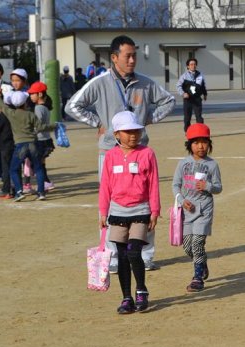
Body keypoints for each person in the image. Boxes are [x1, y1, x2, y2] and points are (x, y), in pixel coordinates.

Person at [66, 34, 176, 272]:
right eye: (128, 55)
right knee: (110, 203)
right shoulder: (100, 82)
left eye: (135, 55)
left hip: (139, 152)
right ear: (114, 57)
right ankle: (113, 257)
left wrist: (149, 118)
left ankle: (145, 256)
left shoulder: (146, 83)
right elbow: (72, 105)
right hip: (110, 152)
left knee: (143, 202)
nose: (132, 60)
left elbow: (169, 100)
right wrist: (97, 123)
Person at [99, 111, 160, 314]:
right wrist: (102, 211)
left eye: (136, 130)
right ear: (117, 134)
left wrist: (155, 210)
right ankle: (127, 297)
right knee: (122, 255)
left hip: (141, 209)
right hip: (117, 211)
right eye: (128, 131)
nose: (133, 135)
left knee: (134, 251)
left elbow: (153, 184)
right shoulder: (110, 156)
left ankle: (141, 290)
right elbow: (105, 185)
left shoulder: (147, 153)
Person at [172, 123, 222, 292]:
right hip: (187, 211)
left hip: (204, 210)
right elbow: (175, 185)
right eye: (196, 142)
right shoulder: (182, 164)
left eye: (204, 142)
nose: (200, 146)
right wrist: (181, 200)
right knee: (187, 246)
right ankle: (202, 263)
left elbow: (218, 187)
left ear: (209, 144)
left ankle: (197, 277)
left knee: (197, 244)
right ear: (189, 145)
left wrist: (208, 186)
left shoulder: (212, 165)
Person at [0, 90, 54, 202]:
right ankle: (41, 192)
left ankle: (19, 192)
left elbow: (1, 105)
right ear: (25, 103)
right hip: (33, 144)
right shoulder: (30, 114)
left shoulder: (11, 113)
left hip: (20, 145)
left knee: (13, 169)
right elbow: (41, 127)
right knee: (38, 168)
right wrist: (54, 127)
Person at [28, 81, 56, 191]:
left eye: (32, 93)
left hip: (39, 140)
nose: (30, 96)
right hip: (46, 139)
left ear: (39, 94)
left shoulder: (38, 108)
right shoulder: (45, 107)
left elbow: (38, 125)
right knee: (41, 163)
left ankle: (45, 182)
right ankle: (46, 182)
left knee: (37, 164)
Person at [177, 58, 207, 132]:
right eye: (191, 64)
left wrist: (205, 94)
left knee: (199, 117)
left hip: (197, 99)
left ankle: (201, 132)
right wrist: (183, 93)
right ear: (188, 66)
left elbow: (203, 86)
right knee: (187, 118)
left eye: (194, 64)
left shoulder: (200, 75)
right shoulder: (184, 76)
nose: (193, 66)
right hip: (188, 100)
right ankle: (188, 132)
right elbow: (178, 86)